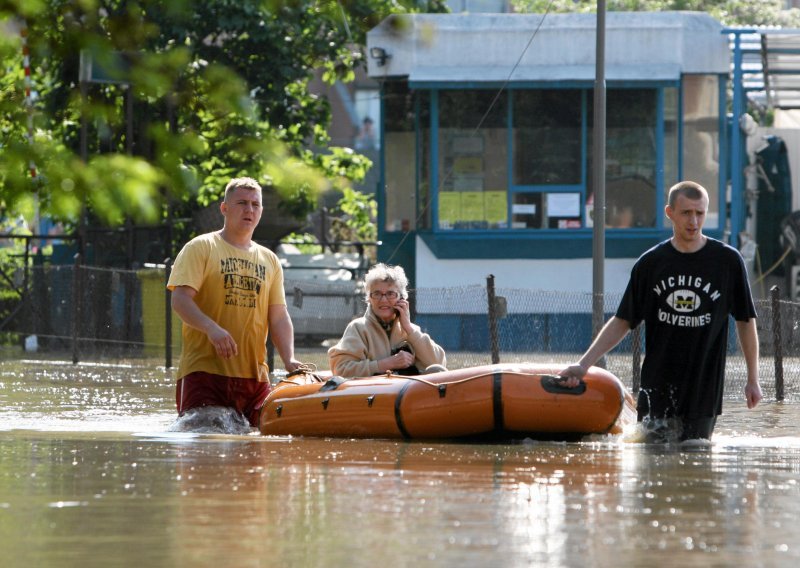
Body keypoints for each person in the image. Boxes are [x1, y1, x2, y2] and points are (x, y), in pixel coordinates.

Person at [561, 181, 762, 442]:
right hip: (657, 385)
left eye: (699, 213)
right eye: (686, 213)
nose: (693, 221)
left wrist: (753, 378)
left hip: (703, 388)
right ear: (670, 213)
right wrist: (583, 364)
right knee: (651, 465)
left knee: (697, 461)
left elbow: (746, 321)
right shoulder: (651, 264)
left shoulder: (727, 261)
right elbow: (623, 320)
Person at [168, 177, 302, 427]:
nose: (249, 210)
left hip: (255, 379)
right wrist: (212, 329)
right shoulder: (201, 247)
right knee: (205, 450)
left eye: (255, 204)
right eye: (242, 203)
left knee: (254, 456)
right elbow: (180, 299)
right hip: (205, 373)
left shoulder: (270, 260)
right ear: (225, 208)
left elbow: (279, 316)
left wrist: (289, 359)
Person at [328, 263, 447, 377]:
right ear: (369, 298)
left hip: (410, 395)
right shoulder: (358, 328)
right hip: (373, 395)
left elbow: (439, 364)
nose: (383, 300)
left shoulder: (411, 331)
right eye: (377, 294)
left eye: (390, 294)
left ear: (401, 298)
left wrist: (409, 329)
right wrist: (385, 364)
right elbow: (341, 370)